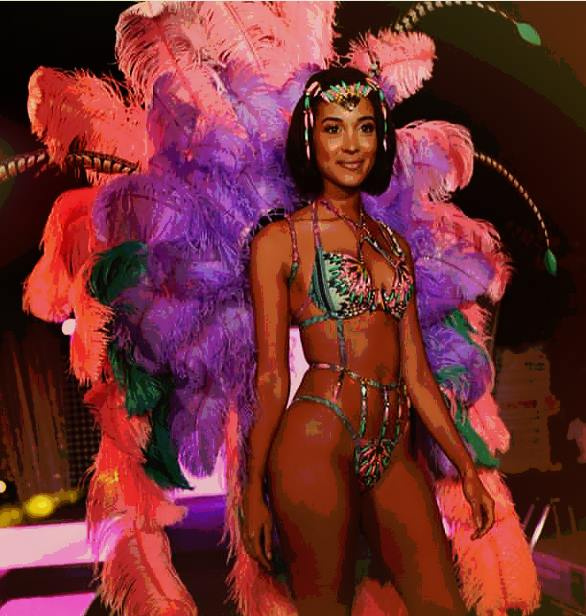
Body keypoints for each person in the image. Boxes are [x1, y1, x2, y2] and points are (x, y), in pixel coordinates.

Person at [241, 66, 494, 616]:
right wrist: (251, 489)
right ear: (309, 139)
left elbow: (417, 374)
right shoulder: (279, 243)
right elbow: (271, 376)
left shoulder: (394, 245)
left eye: (365, 127)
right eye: (333, 128)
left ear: (381, 139)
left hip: (394, 447)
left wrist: (467, 468)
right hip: (315, 440)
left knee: (444, 606)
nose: (351, 145)